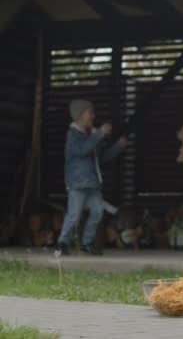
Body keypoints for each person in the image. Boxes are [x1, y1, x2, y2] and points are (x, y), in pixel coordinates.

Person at [54, 99, 128, 256]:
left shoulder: (91, 135)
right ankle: (62, 243)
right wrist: (99, 134)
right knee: (74, 213)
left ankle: (87, 243)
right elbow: (82, 150)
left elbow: (101, 158)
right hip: (78, 183)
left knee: (97, 212)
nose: (93, 116)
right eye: (90, 113)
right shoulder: (73, 135)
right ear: (80, 116)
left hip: (92, 183)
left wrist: (118, 147)